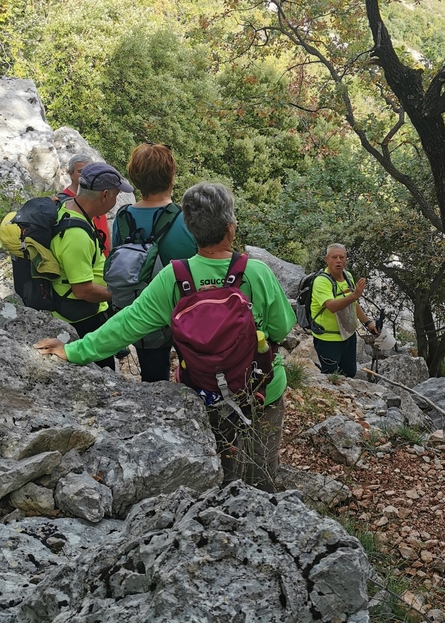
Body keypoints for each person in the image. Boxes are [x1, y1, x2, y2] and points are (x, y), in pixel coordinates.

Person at [35, 182, 296, 491]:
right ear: (231, 228)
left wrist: (74, 350)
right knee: (262, 476)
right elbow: (282, 328)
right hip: (260, 389)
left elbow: (126, 324)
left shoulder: (175, 277)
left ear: (189, 227)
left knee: (220, 475)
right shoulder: (256, 273)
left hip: (205, 394)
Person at [111, 143, 197, 382]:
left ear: (134, 177)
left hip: (144, 311)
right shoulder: (186, 220)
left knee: (153, 380)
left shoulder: (122, 218)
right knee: (196, 372)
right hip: (186, 312)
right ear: (171, 175)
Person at [51, 162, 133, 370]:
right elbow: (83, 290)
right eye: (115, 195)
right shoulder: (76, 235)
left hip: (82, 313)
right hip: (84, 319)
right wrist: (118, 295)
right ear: (105, 195)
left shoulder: (68, 206)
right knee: (104, 373)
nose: (115, 201)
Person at [310, 243, 378, 378]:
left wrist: (368, 323)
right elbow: (332, 306)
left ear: (346, 259)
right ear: (326, 259)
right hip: (328, 338)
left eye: (342, 257)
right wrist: (354, 295)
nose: (338, 260)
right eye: (334, 257)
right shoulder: (321, 282)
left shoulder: (348, 277)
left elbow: (353, 304)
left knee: (350, 373)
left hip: (348, 335)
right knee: (330, 375)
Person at [62, 154, 111, 256]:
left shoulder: (97, 195)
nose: (85, 175)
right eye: (80, 171)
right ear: (70, 174)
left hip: (103, 258)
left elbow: (104, 224)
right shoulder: (65, 200)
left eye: (89, 171)